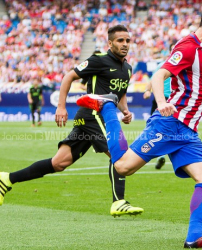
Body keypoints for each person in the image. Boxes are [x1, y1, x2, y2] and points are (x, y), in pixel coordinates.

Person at [76, 3, 202, 248]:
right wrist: (161, 102)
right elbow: (160, 74)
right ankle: (108, 106)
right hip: (170, 124)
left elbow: (190, 77)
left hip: (188, 131)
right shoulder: (188, 46)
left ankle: (194, 237)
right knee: (122, 167)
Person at [0, 25, 143, 217]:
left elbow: (121, 92)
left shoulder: (127, 68)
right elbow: (69, 76)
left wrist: (125, 110)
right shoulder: (99, 60)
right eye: (120, 40)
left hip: (97, 118)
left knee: (59, 162)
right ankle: (118, 202)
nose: (125, 44)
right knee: (119, 155)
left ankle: (7, 179)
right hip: (93, 114)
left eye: (127, 40)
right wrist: (61, 106)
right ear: (110, 43)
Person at [143, 61, 172, 170]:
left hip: (173, 100)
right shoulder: (163, 65)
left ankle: (160, 154)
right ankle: (160, 154)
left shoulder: (183, 64)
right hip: (160, 99)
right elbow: (154, 78)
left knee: (165, 128)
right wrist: (147, 90)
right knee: (154, 126)